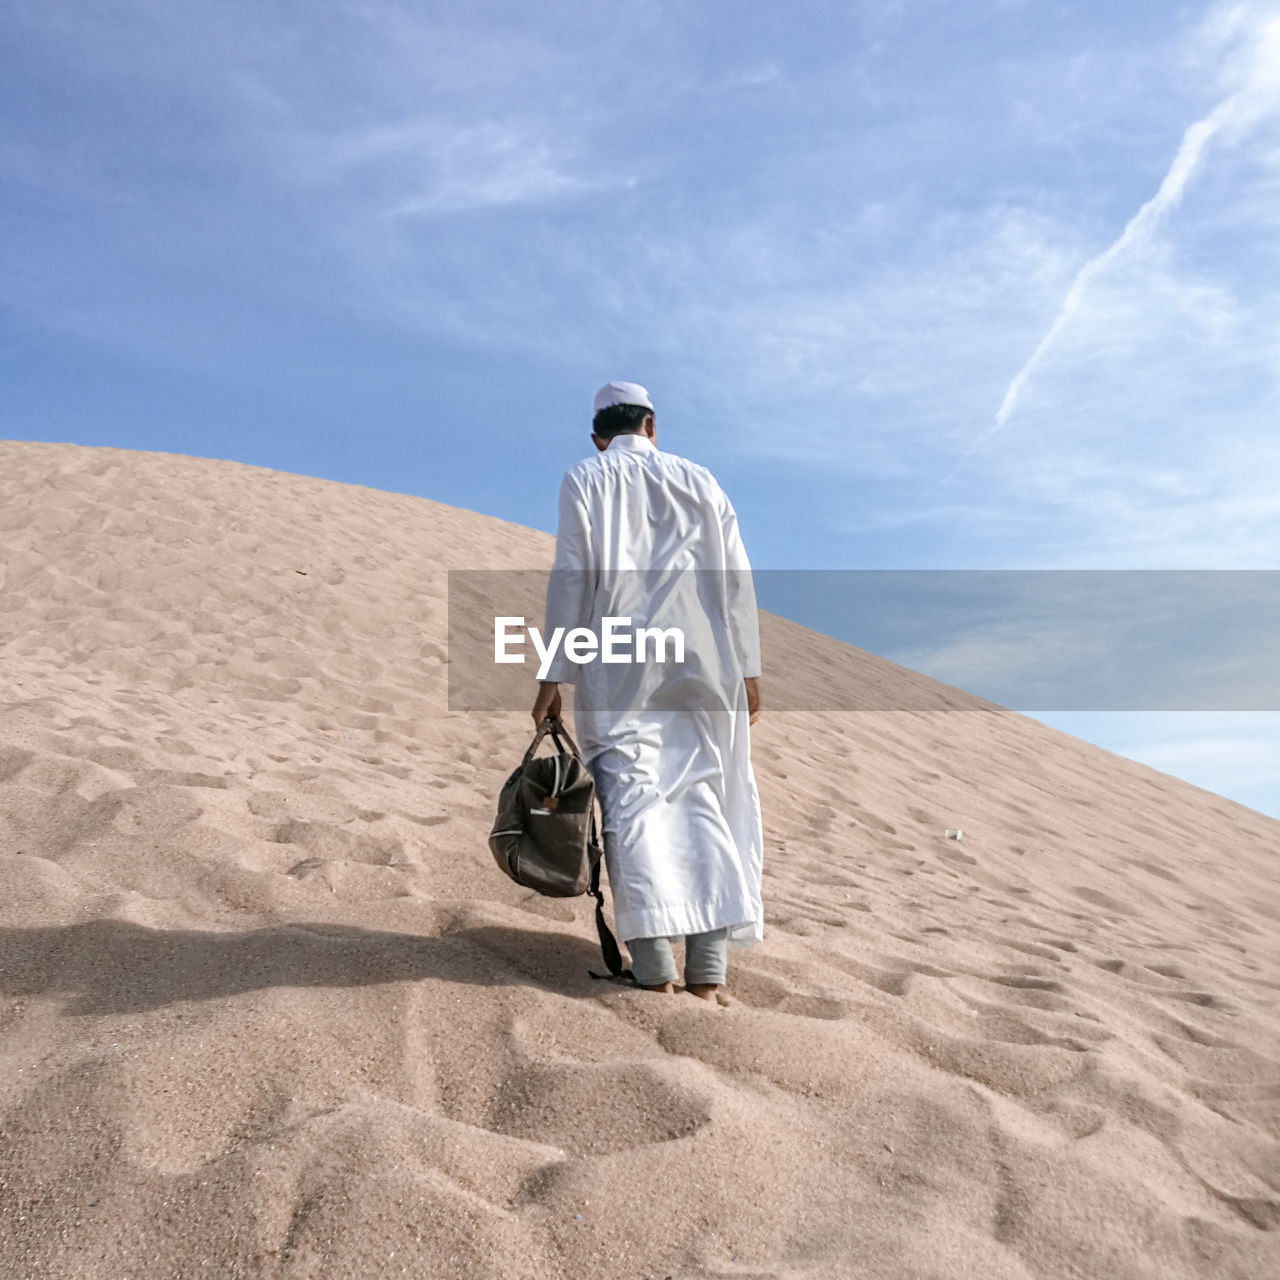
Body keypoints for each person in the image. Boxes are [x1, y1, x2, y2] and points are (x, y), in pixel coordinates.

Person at [531, 381, 764, 1004]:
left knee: (632, 801)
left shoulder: (586, 476)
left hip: (622, 664)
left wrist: (553, 673)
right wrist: (749, 666)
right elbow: (735, 578)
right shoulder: (702, 480)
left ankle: (655, 964)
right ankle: (708, 970)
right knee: (704, 797)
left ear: (598, 436)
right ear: (652, 424)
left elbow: (573, 577)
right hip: (704, 662)